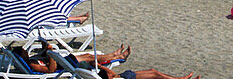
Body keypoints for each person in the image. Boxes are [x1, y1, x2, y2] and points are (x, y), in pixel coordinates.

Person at [12, 42, 197, 79]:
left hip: (64, 61)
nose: (26, 52)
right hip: (63, 65)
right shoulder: (32, 64)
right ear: (21, 56)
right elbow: (50, 72)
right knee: (91, 58)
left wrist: (46, 50)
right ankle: (117, 56)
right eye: (23, 51)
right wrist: (51, 54)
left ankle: (117, 55)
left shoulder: (32, 59)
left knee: (91, 56)